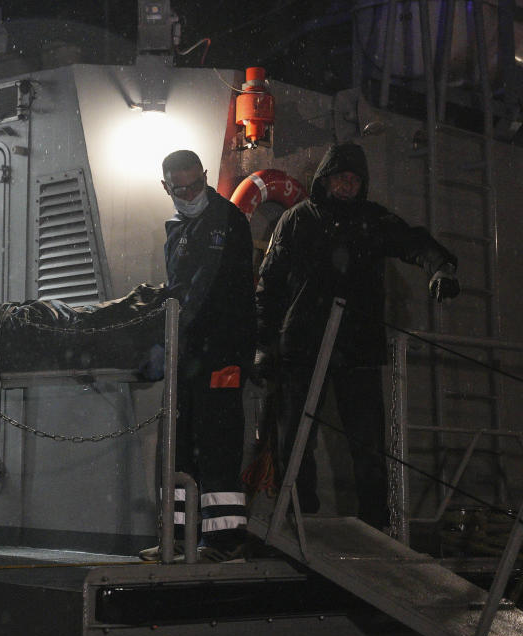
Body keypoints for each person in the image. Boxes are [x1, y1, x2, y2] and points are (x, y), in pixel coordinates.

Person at [253, 142, 460, 530]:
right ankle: (299, 516)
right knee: (294, 440)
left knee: (366, 441)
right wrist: (264, 346)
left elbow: (411, 241)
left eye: (353, 179)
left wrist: (440, 267)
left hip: (356, 347)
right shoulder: (296, 221)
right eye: (340, 178)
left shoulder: (373, 221)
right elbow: (270, 286)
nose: (347, 186)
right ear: (325, 181)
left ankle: (374, 522)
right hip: (301, 345)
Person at [140, 150, 256, 561]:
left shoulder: (227, 221)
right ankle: (175, 538)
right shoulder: (178, 229)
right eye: (180, 188)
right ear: (166, 187)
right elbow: (182, 291)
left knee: (217, 443)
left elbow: (218, 290)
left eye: (194, 185)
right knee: (179, 446)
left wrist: (237, 352)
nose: (188, 193)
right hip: (187, 354)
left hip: (220, 352)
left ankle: (221, 540)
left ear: (205, 177)